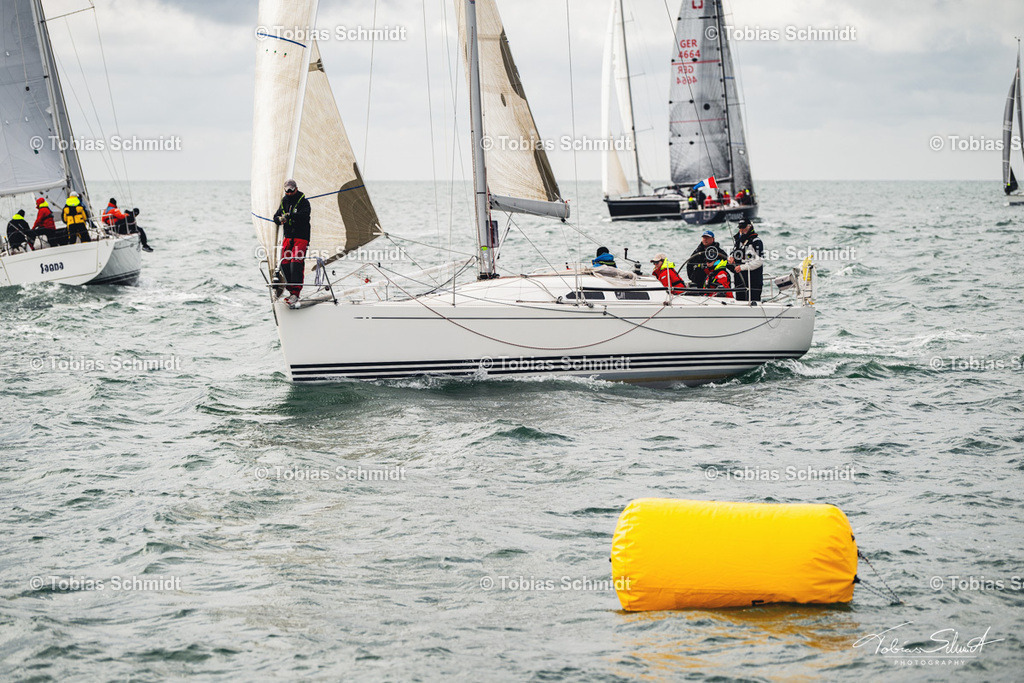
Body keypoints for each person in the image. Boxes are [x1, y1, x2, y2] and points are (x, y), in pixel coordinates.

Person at [273, 179, 311, 305]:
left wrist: (289, 216)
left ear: (296, 188)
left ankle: (296, 293)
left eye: (291, 189)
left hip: (301, 237)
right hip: (288, 237)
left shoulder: (304, 202)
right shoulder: (284, 201)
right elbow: (275, 217)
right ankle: (290, 291)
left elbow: (304, 216)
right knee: (284, 263)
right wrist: (279, 219)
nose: (289, 192)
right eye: (287, 190)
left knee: (296, 263)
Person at [729, 219, 764, 302]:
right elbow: (734, 252)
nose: (741, 230)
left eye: (744, 227)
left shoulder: (756, 241)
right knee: (740, 301)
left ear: (749, 227)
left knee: (753, 301)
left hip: (753, 279)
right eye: (740, 228)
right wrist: (731, 257)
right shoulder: (738, 241)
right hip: (739, 279)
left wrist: (743, 267)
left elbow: (760, 261)